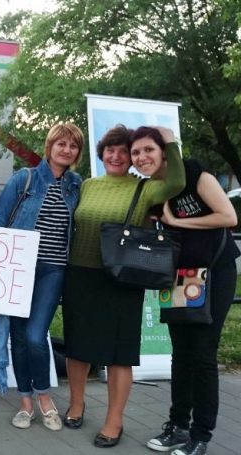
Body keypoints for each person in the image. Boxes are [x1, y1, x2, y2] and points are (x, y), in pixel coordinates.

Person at [62, 125, 185, 448]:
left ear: (131, 158)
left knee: (119, 354)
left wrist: (169, 141)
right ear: (101, 154)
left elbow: (177, 182)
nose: (116, 156)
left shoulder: (145, 188)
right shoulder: (87, 185)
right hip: (81, 274)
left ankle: (114, 421)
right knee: (78, 346)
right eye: (110, 150)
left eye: (123, 151)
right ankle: (76, 405)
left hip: (123, 277)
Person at [129, 128, 239, 455]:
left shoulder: (193, 173)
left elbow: (228, 216)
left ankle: (201, 435)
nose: (142, 157)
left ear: (164, 151)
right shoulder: (153, 189)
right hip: (179, 277)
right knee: (181, 354)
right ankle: (177, 426)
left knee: (203, 354)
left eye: (149, 149)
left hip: (215, 272)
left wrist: (178, 221)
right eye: (136, 153)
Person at [0, 123, 83, 431]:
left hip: (53, 270)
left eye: (73, 146)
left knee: (35, 336)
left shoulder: (77, 185)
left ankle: (44, 397)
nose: (66, 150)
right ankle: (25, 402)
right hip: (19, 267)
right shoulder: (25, 178)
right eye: (61, 143)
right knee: (18, 337)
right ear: (50, 146)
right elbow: (0, 221)